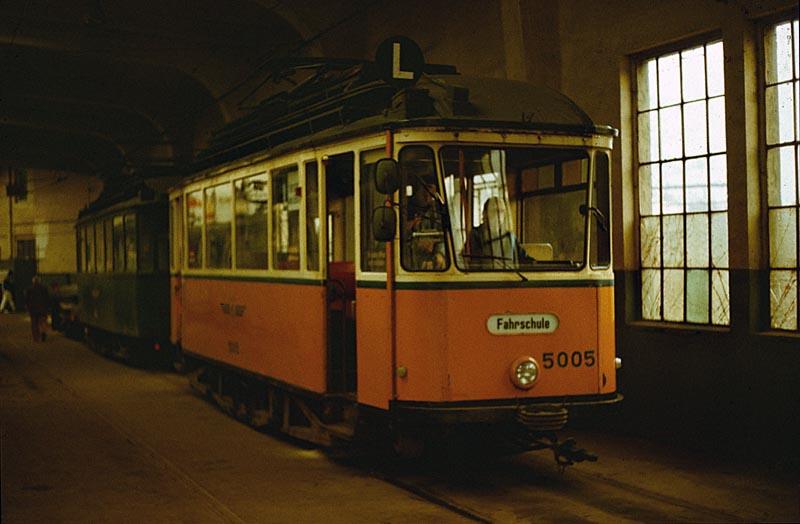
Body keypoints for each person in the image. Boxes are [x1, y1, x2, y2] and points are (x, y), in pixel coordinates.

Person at [465, 196, 532, 269]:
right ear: (485, 214)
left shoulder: (509, 236)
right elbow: (474, 265)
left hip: (509, 277)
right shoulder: (475, 235)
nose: (499, 215)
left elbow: (524, 259)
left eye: (502, 211)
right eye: (495, 211)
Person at [402, 180, 447, 270]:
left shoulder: (437, 212)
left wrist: (440, 253)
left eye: (431, 193)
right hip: (410, 263)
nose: (428, 195)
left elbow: (446, 235)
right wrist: (417, 243)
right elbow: (398, 237)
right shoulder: (403, 208)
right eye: (425, 190)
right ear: (417, 190)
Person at [26, 275, 50, 342]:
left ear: (33, 282)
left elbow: (27, 300)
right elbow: (47, 299)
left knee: (34, 324)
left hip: (33, 310)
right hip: (42, 309)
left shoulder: (29, 289)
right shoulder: (44, 288)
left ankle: (36, 338)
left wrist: (28, 308)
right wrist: (47, 308)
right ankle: (43, 333)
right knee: (43, 322)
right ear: (40, 281)